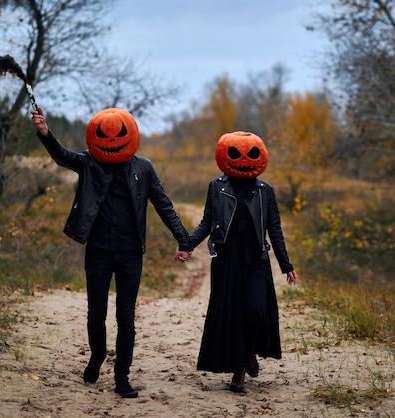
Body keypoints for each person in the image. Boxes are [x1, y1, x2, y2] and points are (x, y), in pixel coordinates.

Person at [31, 106, 192, 398]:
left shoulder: (143, 168)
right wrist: (45, 132)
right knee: (96, 314)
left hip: (131, 253)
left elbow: (163, 204)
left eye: (118, 135)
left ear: (130, 135)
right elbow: (62, 155)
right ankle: (97, 356)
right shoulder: (90, 162)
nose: (112, 141)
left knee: (126, 317)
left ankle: (122, 377)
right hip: (99, 251)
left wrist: (183, 240)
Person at [185, 130, 297, 393]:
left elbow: (275, 229)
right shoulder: (217, 187)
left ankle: (248, 354)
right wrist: (187, 244)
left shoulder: (265, 191)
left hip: (256, 258)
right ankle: (240, 370)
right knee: (234, 314)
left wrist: (286, 265)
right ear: (225, 156)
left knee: (256, 309)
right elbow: (207, 222)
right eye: (235, 153)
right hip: (227, 259)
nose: (244, 158)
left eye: (251, 153)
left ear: (260, 157)